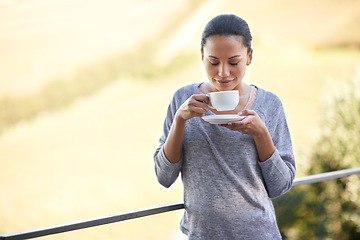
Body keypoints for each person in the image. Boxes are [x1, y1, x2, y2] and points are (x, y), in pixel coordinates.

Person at [153, 14, 296, 240]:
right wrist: (180, 120)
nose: (223, 73)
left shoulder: (270, 105)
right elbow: (164, 176)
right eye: (213, 62)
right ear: (202, 56)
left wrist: (261, 134)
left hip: (259, 234)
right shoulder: (182, 99)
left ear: (249, 57)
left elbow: (281, 186)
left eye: (233, 61)